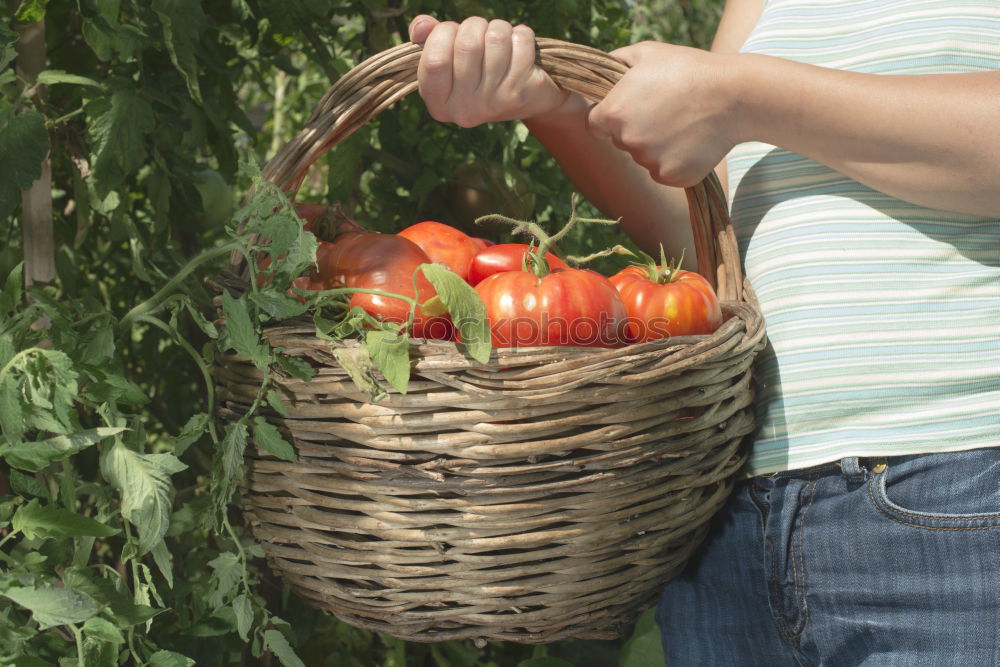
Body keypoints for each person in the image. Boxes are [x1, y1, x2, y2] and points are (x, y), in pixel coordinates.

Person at [407, 1, 1000, 665]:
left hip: (956, 485)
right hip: (734, 510)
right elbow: (708, 240)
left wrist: (743, 97)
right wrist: (558, 109)